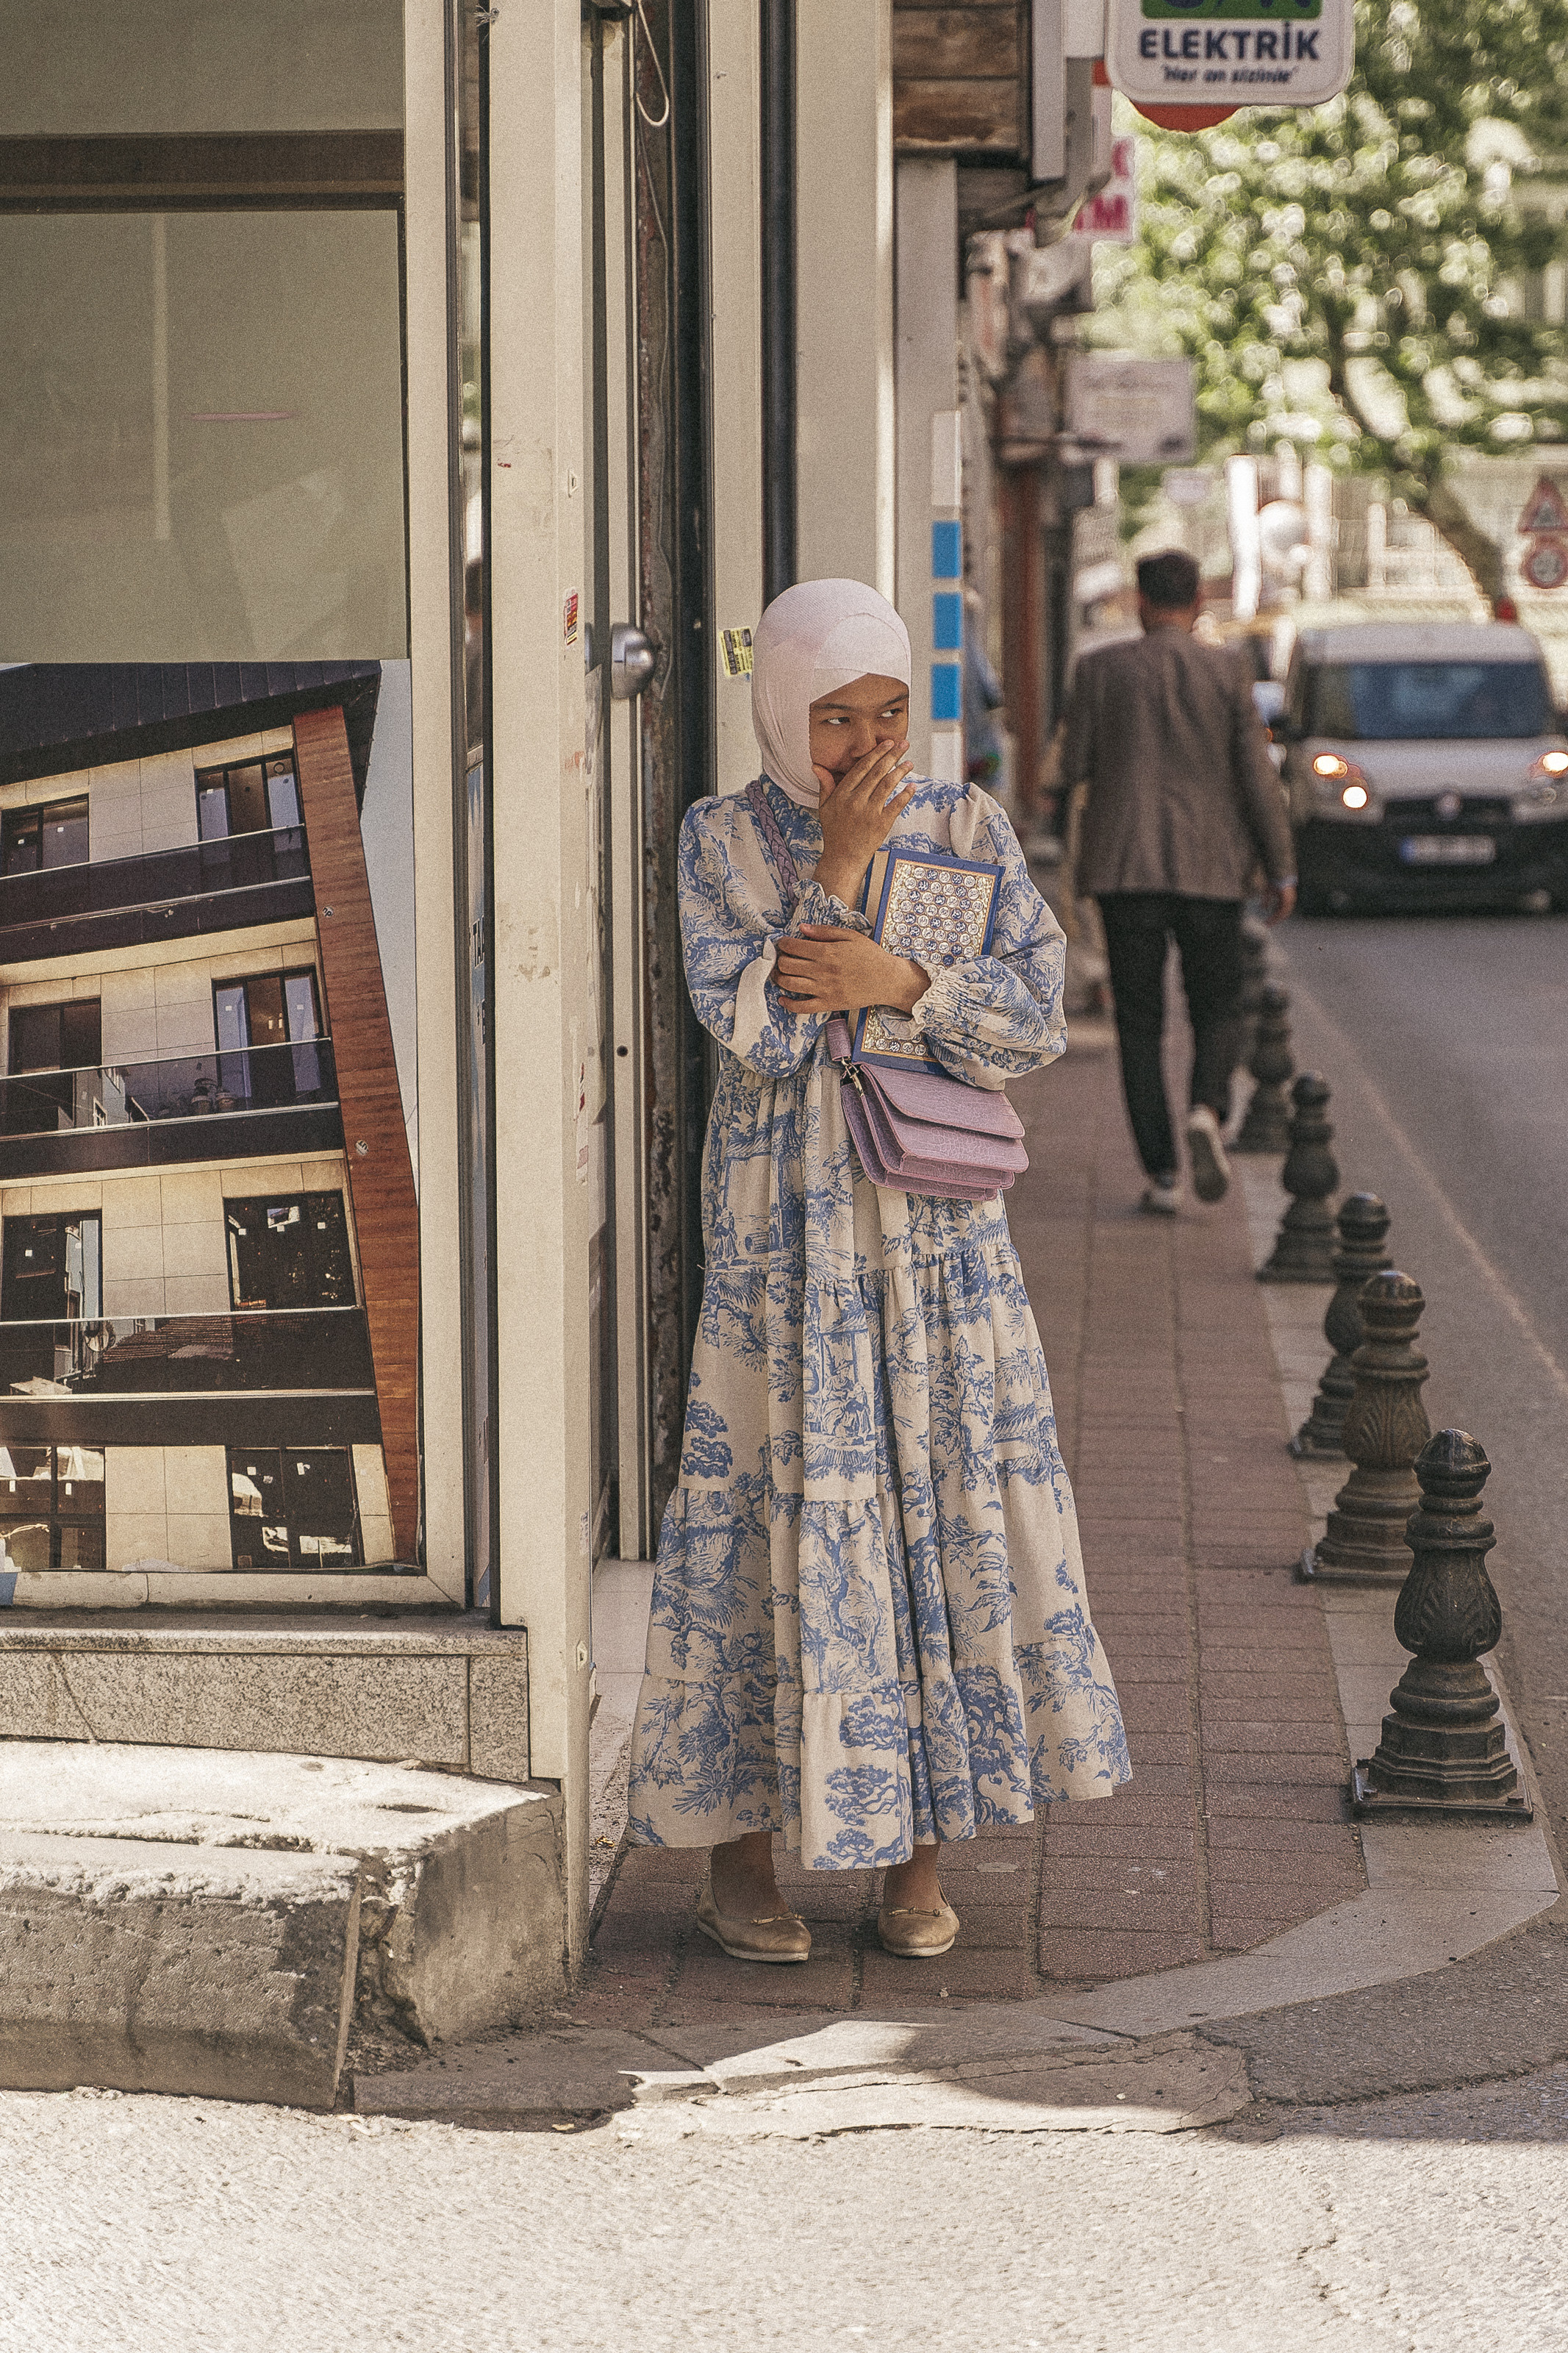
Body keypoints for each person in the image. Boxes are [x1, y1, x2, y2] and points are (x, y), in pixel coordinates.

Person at [626, 579, 1129, 1967]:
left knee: (930, 1517)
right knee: (761, 1527)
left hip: (935, 1243)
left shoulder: (967, 825)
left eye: (885, 714)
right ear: (780, 709)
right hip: (781, 1253)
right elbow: (751, 1030)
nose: (859, 746)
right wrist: (835, 882)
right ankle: (739, 1861)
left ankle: (915, 1859)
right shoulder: (718, 839)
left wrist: (900, 985)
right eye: (831, 717)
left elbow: (1035, 1021)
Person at [1059, 549, 1296, 1215]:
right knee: (1216, 1005)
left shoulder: (1098, 669)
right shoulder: (1227, 671)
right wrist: (1280, 866)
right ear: (1197, 603)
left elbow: (1072, 765)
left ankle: (1162, 1175)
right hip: (1211, 869)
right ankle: (1207, 1108)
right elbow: (1257, 778)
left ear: (1139, 600)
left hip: (1123, 868)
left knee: (1138, 1022)